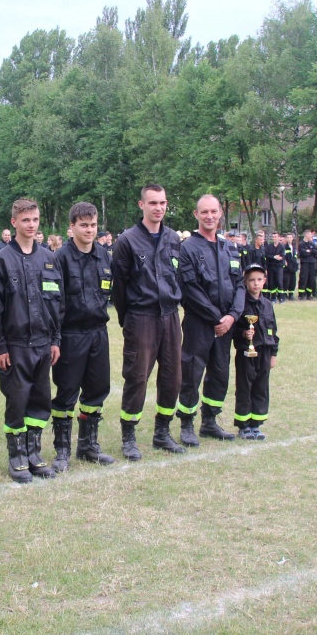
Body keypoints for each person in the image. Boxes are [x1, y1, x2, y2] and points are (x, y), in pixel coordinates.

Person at [0, 199, 62, 482]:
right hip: (16, 345)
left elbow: (57, 302)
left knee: (41, 400)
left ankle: (34, 453)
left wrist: (55, 339)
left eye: (35, 220)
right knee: (17, 400)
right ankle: (16, 455)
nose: (31, 225)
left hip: (44, 343)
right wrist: (0, 346)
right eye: (26, 220)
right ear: (14, 223)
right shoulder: (3, 259)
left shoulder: (49, 258)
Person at [111, 184, 185, 459]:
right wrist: (128, 320)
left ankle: (162, 432)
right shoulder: (127, 240)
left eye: (163, 203)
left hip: (170, 317)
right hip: (141, 318)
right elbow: (119, 286)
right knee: (137, 376)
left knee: (172, 377)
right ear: (141, 205)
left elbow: (176, 278)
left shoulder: (173, 238)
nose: (158, 208)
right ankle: (129, 434)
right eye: (153, 203)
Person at [50, 202, 115, 470]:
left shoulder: (104, 255)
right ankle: (62, 451)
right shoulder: (60, 258)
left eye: (93, 225)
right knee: (66, 392)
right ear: (72, 228)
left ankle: (88, 446)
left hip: (98, 332)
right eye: (83, 225)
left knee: (97, 390)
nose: (89, 230)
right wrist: (56, 338)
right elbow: (54, 302)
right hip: (71, 334)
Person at [176, 195, 245, 446]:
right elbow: (190, 288)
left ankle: (210, 422)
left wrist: (232, 316)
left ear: (220, 214)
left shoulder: (230, 247)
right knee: (192, 373)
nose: (209, 216)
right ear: (196, 215)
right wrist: (217, 317)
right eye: (204, 212)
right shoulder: (187, 248)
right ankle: (186, 422)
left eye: (214, 211)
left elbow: (240, 284)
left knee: (219, 373)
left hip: (226, 324)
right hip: (200, 323)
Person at [232, 264, 278, 440]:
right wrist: (244, 333)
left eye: (259, 279)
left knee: (261, 387)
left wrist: (274, 354)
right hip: (246, 353)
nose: (255, 283)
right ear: (245, 282)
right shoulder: (241, 304)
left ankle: (256, 424)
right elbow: (233, 330)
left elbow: (273, 330)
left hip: (264, 352)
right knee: (245, 387)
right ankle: (243, 425)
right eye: (251, 280)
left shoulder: (267, 305)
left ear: (264, 281)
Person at [262, 230, 285, 303]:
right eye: (273, 237)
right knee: (272, 282)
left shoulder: (281, 247)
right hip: (271, 266)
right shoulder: (269, 246)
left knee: (279, 281)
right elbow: (267, 255)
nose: (274, 238)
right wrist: (274, 257)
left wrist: (274, 257)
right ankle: (273, 297)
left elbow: (281, 256)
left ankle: (281, 297)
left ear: (279, 237)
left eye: (275, 236)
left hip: (279, 266)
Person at [297, 229, 317, 300]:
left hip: (312, 263)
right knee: (303, 278)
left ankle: (309, 294)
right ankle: (301, 294)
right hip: (305, 263)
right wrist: (310, 252)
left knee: (311, 279)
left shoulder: (312, 243)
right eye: (309, 234)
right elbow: (303, 253)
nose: (311, 236)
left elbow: (316, 252)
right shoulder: (301, 244)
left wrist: (310, 251)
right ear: (306, 235)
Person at [282, 232, 298, 301]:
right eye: (288, 238)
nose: (289, 239)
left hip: (293, 268)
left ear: (292, 238)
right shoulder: (284, 247)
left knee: (293, 282)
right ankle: (285, 294)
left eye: (290, 237)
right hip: (287, 268)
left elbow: (295, 257)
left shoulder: (294, 247)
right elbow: (283, 257)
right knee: (286, 282)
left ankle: (291, 295)